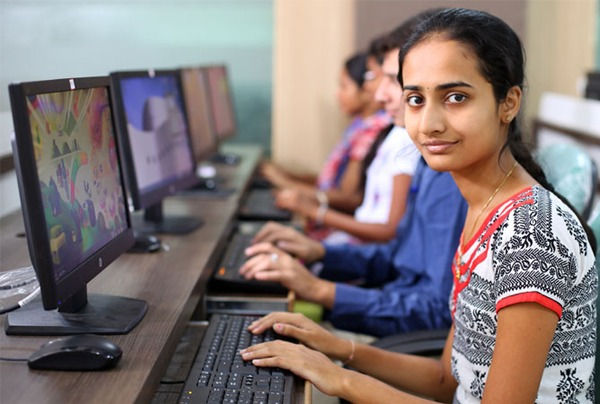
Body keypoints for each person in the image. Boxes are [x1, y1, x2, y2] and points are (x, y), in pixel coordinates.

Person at [240, 8, 598, 403]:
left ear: (508, 103)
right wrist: (338, 350)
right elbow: (449, 381)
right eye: (415, 98)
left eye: (455, 97)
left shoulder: (531, 237)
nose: (429, 123)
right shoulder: (485, 209)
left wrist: (341, 380)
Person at [241, 10, 467, 337]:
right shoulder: (429, 164)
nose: (381, 95)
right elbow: (401, 258)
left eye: (393, 80)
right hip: (396, 302)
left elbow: (436, 309)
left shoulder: (450, 178)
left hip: (410, 328)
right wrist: (320, 253)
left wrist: (321, 292)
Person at [275, 34, 421, 244]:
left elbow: (356, 201)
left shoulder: (398, 137)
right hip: (361, 246)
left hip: (366, 250)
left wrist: (315, 208)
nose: (377, 91)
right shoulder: (391, 132)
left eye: (382, 78)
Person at [260, 51, 391, 214]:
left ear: (365, 91)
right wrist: (286, 176)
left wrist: (284, 182)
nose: (337, 94)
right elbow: (329, 183)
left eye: (344, 86)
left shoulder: (372, 130)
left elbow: (348, 197)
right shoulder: (360, 124)